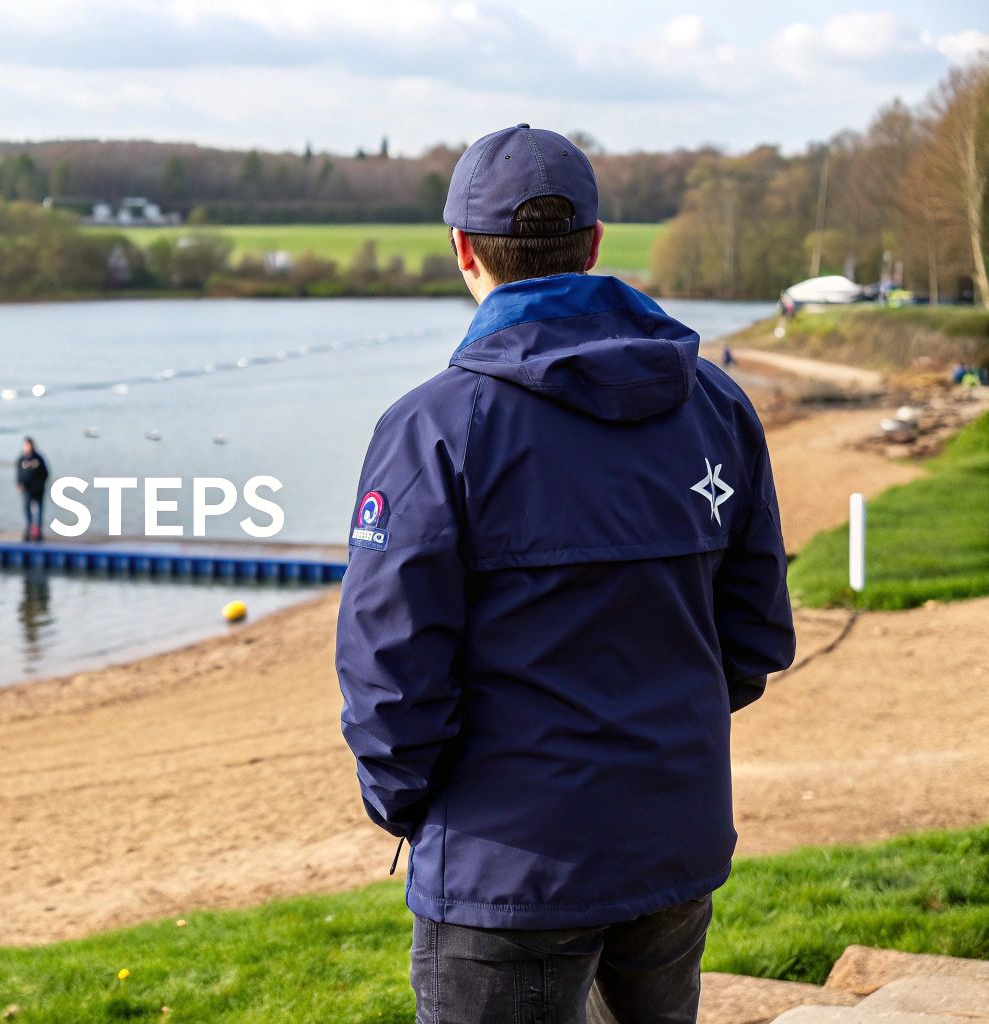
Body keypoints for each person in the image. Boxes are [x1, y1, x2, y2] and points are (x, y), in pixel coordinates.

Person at [335, 124, 794, 1024]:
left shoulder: (435, 426)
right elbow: (756, 637)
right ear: (593, 246)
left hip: (508, 865)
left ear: (462, 250)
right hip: (672, 835)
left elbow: (390, 672)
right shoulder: (716, 404)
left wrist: (408, 805)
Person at [16, 437, 50, 542]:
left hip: (38, 489)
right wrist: (19, 484)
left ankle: (38, 530)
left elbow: (46, 473)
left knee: (39, 510)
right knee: (27, 509)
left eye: (29, 445)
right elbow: (19, 474)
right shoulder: (21, 459)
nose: (27, 447)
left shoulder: (39, 458)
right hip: (27, 490)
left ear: (33, 445)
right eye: (25, 445)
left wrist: (41, 484)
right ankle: (29, 528)